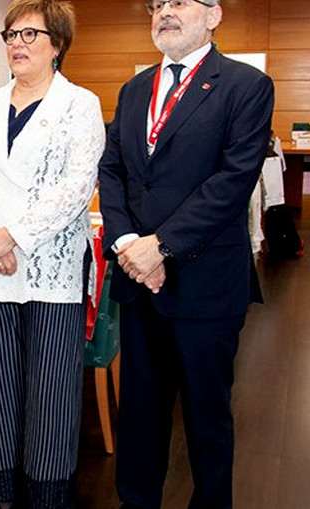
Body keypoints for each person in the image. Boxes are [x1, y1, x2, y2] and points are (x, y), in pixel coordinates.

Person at [97, 0, 274, 507]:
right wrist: (131, 244)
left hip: (205, 281)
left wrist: (163, 247)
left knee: (206, 419)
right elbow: (113, 172)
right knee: (140, 414)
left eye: (178, 2)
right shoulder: (134, 90)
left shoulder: (245, 85)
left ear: (214, 15)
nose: (164, 12)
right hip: (137, 279)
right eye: (156, 5)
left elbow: (233, 180)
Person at [0, 1, 104, 506]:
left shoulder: (80, 105)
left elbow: (76, 187)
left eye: (31, 34)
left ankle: (48, 495)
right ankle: (3, 490)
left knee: (52, 394)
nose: (17, 43)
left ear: (57, 44)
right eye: (11, 34)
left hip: (51, 268)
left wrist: (12, 235)